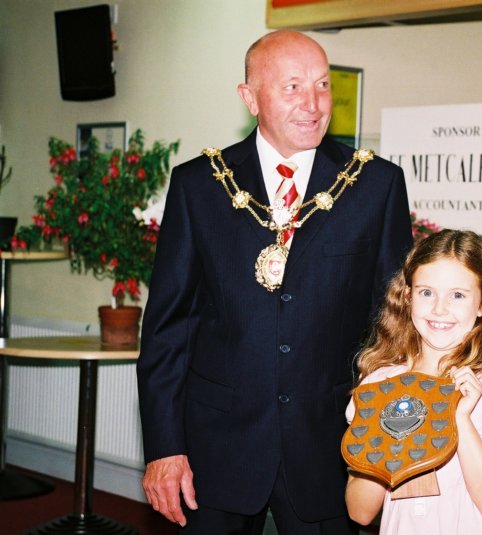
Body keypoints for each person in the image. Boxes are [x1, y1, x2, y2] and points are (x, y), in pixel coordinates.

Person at [136, 29, 413, 534]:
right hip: (215, 448)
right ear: (250, 97)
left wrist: (391, 438)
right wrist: (164, 447)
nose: (313, 103)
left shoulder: (375, 185)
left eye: (322, 85)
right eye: (292, 87)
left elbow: (393, 327)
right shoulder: (200, 185)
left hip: (331, 447)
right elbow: (168, 329)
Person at [344, 229, 482, 534]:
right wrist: (386, 429)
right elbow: (360, 512)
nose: (439, 309)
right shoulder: (380, 383)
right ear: (408, 296)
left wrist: (460, 417)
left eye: (458, 295)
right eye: (426, 293)